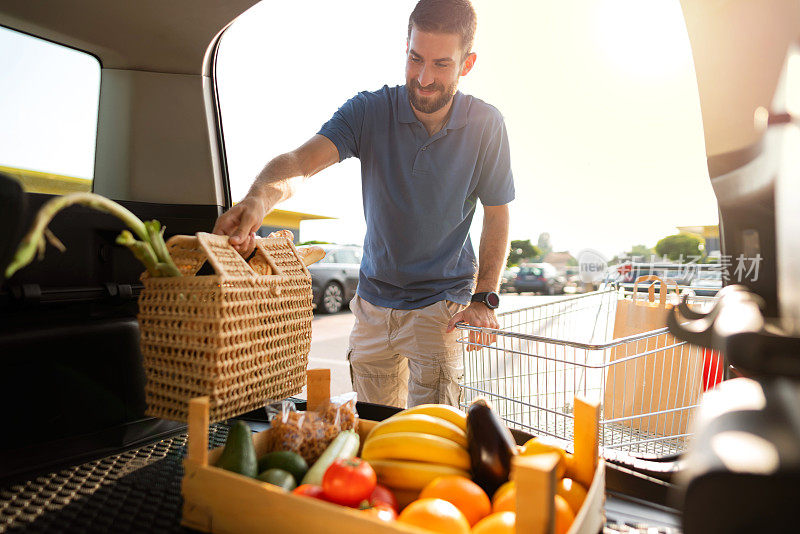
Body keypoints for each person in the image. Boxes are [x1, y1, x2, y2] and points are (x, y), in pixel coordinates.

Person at [213, 0, 514, 408]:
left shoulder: (486, 124)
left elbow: (497, 213)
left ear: (467, 63)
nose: (423, 78)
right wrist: (258, 198)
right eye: (415, 58)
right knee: (375, 433)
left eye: (441, 64)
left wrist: (485, 297)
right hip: (373, 305)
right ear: (405, 48)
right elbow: (300, 163)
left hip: (442, 308)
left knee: (431, 440)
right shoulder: (369, 111)